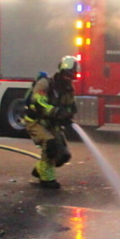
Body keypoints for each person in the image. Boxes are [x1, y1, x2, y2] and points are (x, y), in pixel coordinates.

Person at [23, 56, 78, 190]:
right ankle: (47, 180)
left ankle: (40, 168)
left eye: (71, 76)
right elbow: (39, 103)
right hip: (36, 121)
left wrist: (68, 115)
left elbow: (71, 106)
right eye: (67, 75)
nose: (69, 79)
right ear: (61, 71)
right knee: (50, 145)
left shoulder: (68, 89)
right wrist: (57, 112)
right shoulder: (45, 84)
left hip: (52, 123)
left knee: (63, 156)